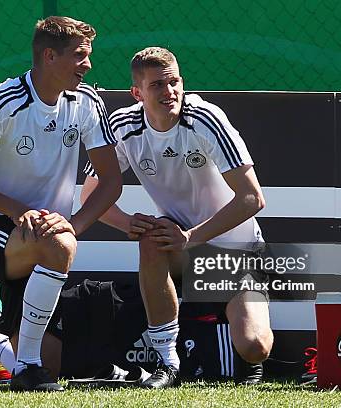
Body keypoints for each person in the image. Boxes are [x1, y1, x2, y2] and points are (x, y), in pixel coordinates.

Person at [0, 16, 122, 392]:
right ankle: (26, 368)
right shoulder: (2, 102)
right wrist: (15, 209)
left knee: (49, 367)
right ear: (50, 56)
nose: (88, 65)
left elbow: (111, 181)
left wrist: (75, 224)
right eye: (80, 56)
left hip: (44, 242)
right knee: (58, 245)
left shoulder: (87, 102)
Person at [81, 47, 273, 388]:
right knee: (151, 238)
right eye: (157, 85)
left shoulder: (205, 119)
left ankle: (245, 361)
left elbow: (252, 198)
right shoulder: (122, 126)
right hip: (181, 253)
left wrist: (192, 236)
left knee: (255, 347)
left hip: (238, 256)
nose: (169, 92)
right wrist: (128, 223)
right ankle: (168, 364)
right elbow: (89, 195)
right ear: (137, 93)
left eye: (174, 82)